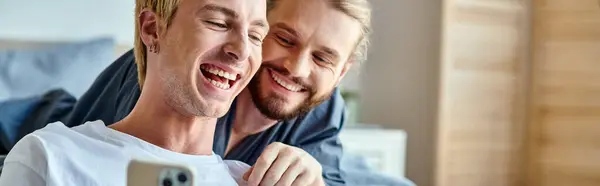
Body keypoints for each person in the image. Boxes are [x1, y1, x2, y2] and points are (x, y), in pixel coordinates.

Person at [56, 0, 372, 185]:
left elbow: (326, 178)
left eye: (322, 58)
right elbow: (87, 161)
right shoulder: (170, 67)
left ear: (341, 72)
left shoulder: (321, 109)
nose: (297, 68)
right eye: (285, 39)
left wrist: (312, 175)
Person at [0, 0, 269, 185]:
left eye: (256, 36)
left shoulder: (250, 181)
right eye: (218, 23)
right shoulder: (50, 156)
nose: (243, 50)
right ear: (152, 29)